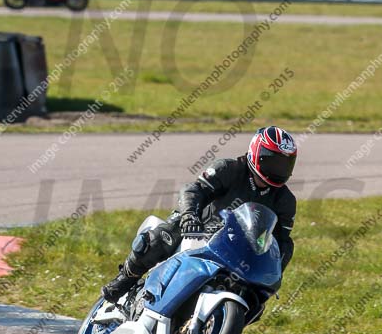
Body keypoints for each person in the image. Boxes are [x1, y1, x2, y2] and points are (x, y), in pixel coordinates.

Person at [102, 126, 298, 307]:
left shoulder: (285, 200)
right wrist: (189, 215)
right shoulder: (229, 169)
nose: (278, 169)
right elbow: (194, 190)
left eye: (284, 164)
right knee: (160, 238)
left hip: (237, 250)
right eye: (273, 161)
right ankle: (125, 279)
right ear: (257, 153)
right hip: (198, 230)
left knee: (256, 300)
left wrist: (273, 272)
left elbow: (282, 242)